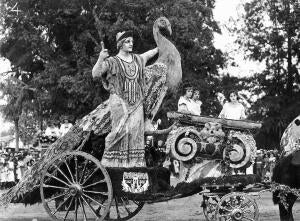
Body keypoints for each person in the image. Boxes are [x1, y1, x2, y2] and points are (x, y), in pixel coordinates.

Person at [92, 31, 159, 167]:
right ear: (120, 44)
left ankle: (135, 165)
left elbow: (150, 53)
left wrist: (160, 47)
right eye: (128, 41)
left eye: (132, 41)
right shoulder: (111, 62)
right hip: (119, 102)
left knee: (136, 133)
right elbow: (95, 74)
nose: (131, 44)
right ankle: (112, 164)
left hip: (137, 103)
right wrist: (100, 58)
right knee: (119, 132)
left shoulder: (138, 59)